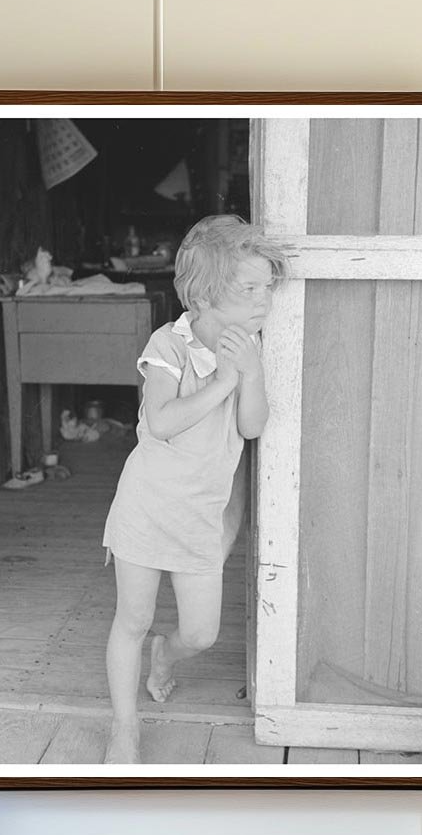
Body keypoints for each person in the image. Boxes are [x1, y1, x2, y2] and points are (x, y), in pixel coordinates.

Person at [100, 214, 288, 764]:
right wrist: (225, 379)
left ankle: (166, 654)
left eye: (267, 287)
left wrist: (249, 374)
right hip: (146, 507)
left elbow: (252, 427)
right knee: (131, 620)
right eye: (249, 288)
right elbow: (159, 421)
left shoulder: (250, 344)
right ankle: (124, 728)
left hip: (201, 516)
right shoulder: (171, 344)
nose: (263, 300)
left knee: (201, 634)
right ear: (204, 296)